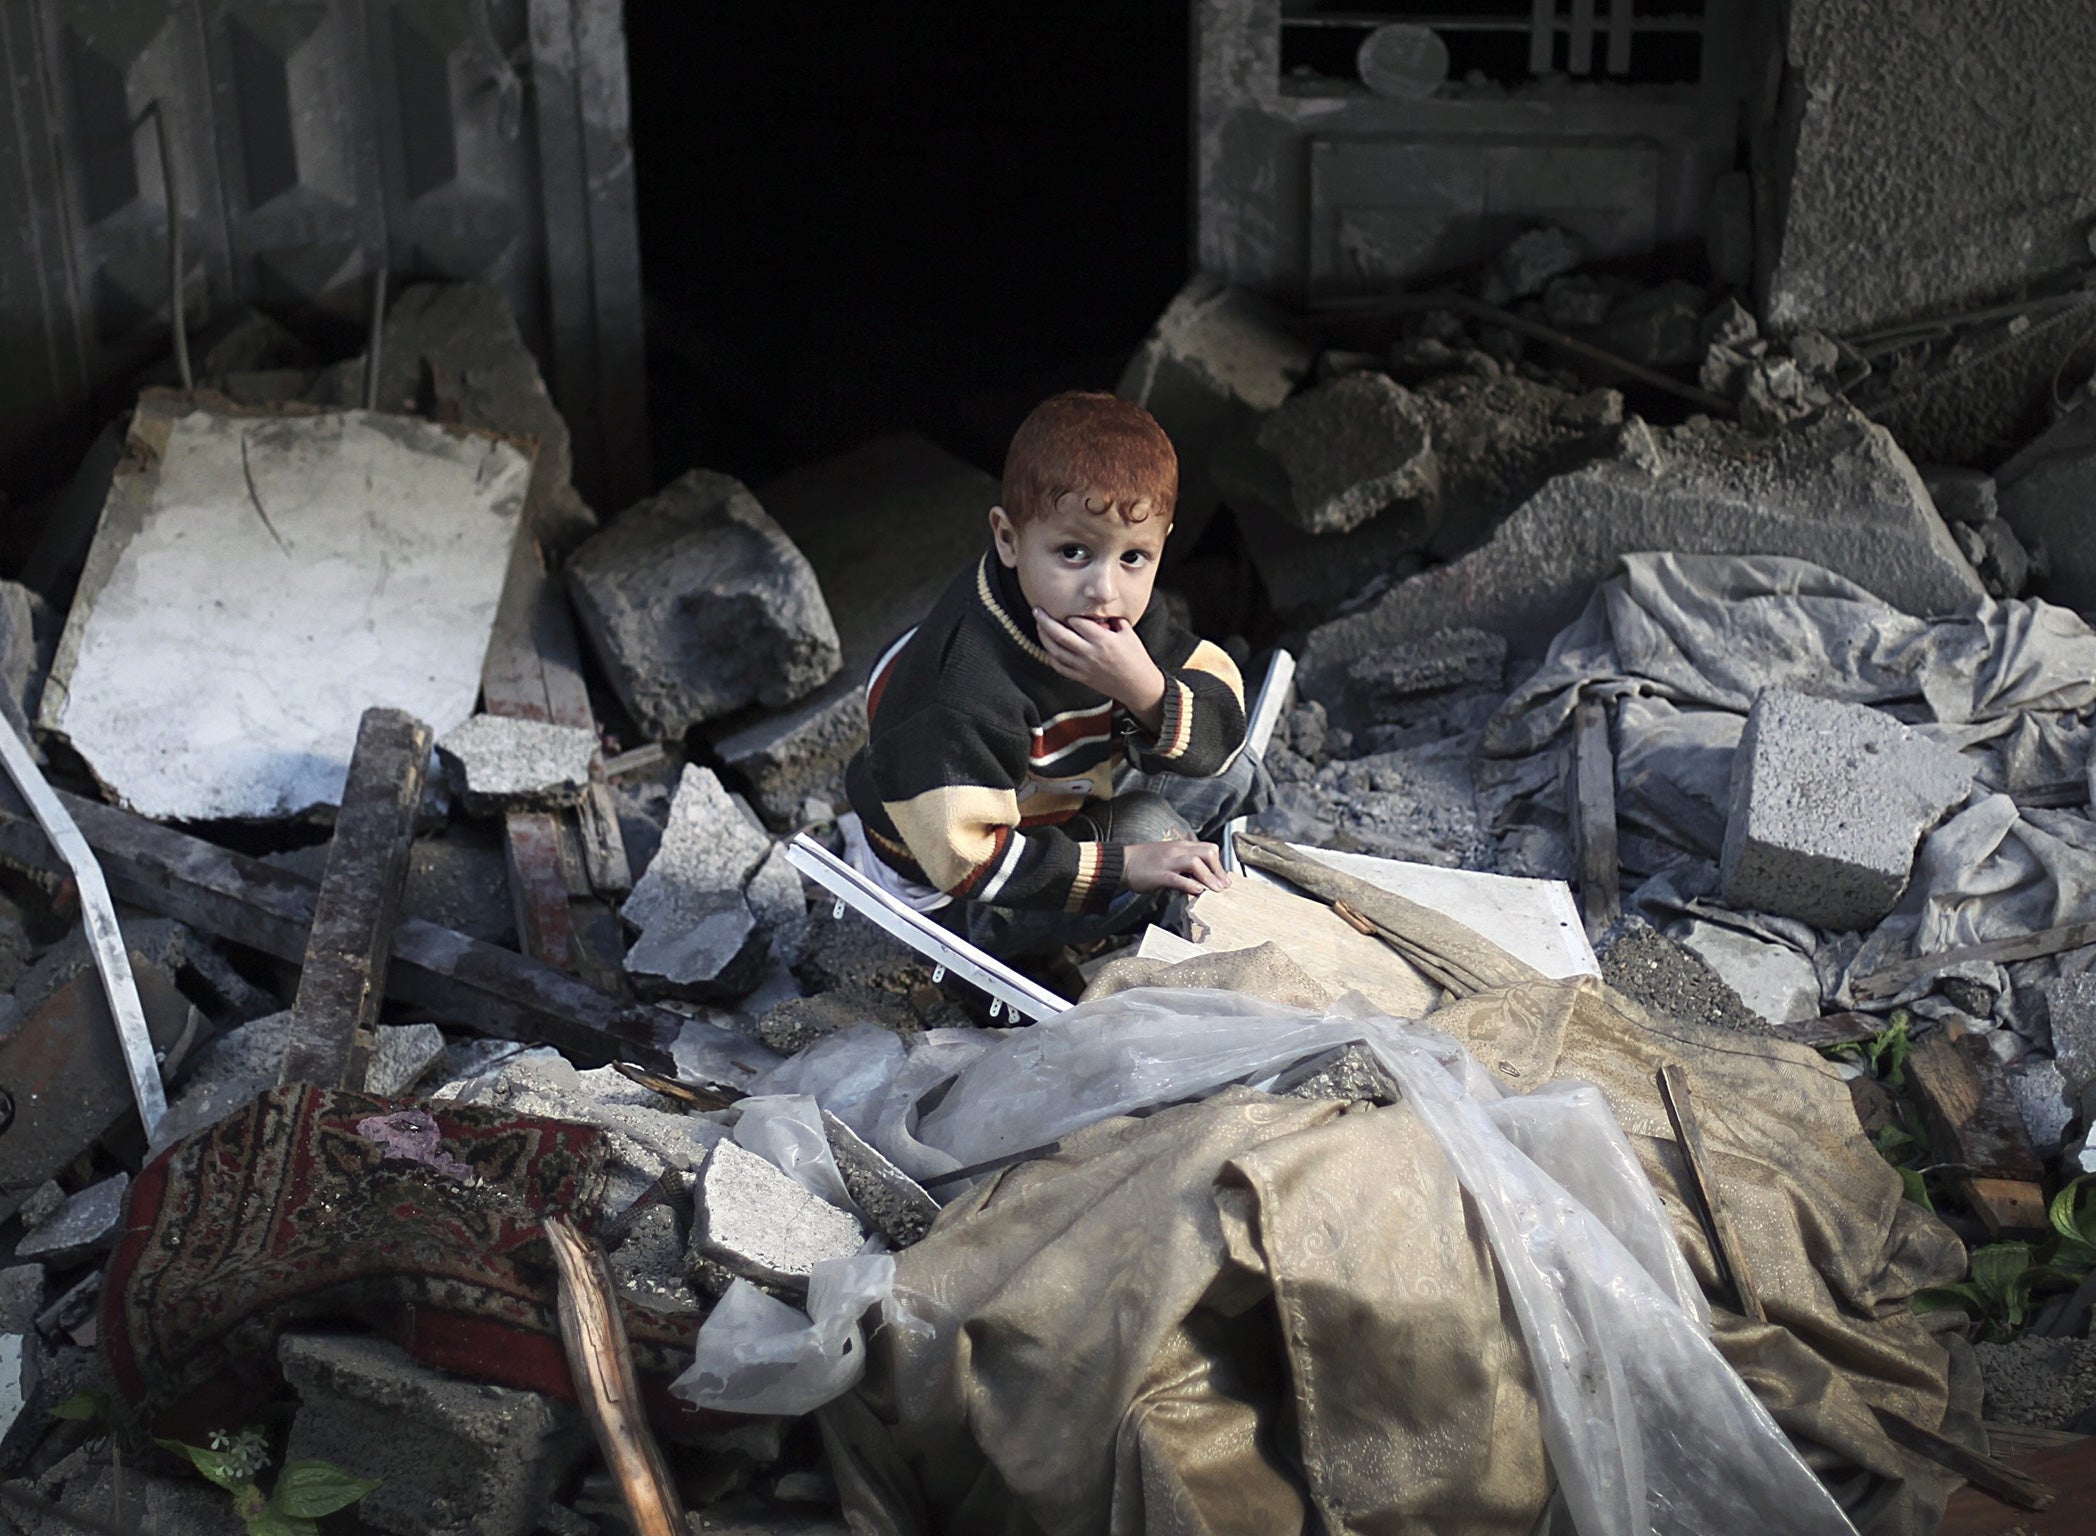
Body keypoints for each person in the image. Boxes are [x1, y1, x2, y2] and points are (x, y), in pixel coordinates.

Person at [841, 390, 1271, 980]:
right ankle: (1019, 958)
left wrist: (1144, 688)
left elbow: (1220, 711)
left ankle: (1204, 886)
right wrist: (1129, 865)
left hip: (1050, 797)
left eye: (1134, 558)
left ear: (1161, 544)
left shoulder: (1111, 606)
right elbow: (968, 862)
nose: (1105, 588)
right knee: (1154, 828)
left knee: (1234, 767)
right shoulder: (965, 686)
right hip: (957, 891)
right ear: (1008, 539)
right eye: (1074, 552)